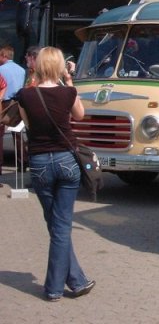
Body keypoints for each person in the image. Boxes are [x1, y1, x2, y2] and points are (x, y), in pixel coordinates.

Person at [16, 47, 95, 302]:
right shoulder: (68, 92)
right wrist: (69, 82)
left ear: (37, 66)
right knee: (60, 227)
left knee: (55, 225)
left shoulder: (25, 96)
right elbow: (80, 115)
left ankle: (75, 281)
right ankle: (59, 286)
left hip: (39, 162)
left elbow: (27, 124)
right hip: (66, 161)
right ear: (61, 66)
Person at [0, 45, 26, 175]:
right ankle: (22, 163)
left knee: (0, 135)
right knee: (18, 134)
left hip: (3, 103)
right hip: (17, 103)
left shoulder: (0, 69)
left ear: (4, 56)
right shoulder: (21, 70)